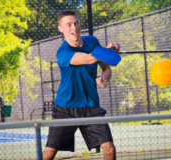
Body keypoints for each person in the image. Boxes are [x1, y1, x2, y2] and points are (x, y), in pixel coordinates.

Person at [43, 9, 120, 160]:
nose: (74, 27)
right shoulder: (63, 52)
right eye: (69, 24)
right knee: (50, 152)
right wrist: (108, 50)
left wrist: (105, 76)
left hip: (91, 107)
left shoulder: (92, 41)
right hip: (65, 108)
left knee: (109, 149)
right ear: (61, 29)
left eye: (76, 23)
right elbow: (88, 59)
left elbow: (107, 68)